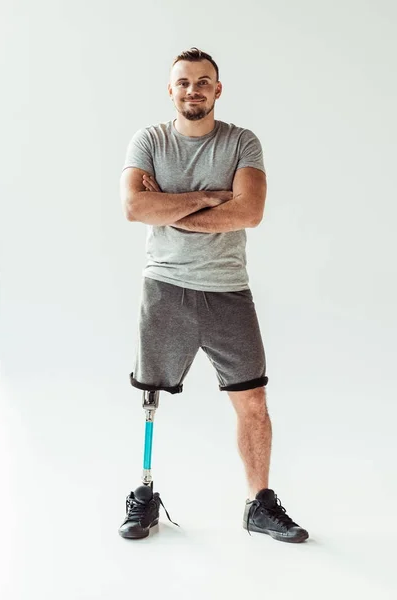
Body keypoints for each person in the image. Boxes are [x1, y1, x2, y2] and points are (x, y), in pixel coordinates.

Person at [118, 47, 309, 543]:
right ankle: (144, 496)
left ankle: (259, 504)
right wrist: (205, 197)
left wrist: (171, 207)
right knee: (149, 396)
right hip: (164, 285)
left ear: (217, 89)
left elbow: (249, 213)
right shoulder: (149, 140)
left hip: (227, 289)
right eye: (183, 82)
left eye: (203, 82)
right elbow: (135, 207)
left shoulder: (243, 143)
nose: (193, 89)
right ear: (171, 90)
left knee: (253, 399)